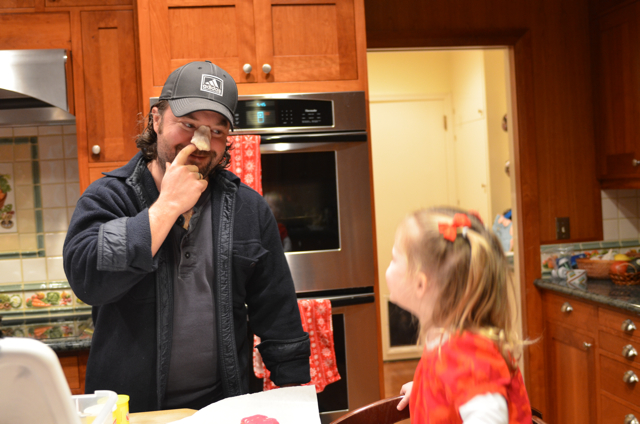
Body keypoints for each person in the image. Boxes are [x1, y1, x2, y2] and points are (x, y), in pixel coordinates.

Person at [63, 61, 311, 412]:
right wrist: (167, 206)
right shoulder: (109, 197)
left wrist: (297, 403)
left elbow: (278, 314)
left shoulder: (248, 209)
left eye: (217, 130)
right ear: (156, 119)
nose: (201, 142)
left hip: (224, 410)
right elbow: (88, 280)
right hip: (132, 413)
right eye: (188, 125)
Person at [386, 207, 531, 423]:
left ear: (420, 284)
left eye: (394, 258)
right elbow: (456, 384)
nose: (388, 266)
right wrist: (427, 389)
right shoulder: (447, 337)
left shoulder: (467, 354)